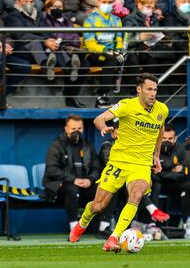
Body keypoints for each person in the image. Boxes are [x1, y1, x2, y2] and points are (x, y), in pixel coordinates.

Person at [69, 73, 169, 253]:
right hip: (119, 162)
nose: (153, 93)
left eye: (155, 89)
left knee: (137, 194)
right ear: (139, 90)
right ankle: (83, 222)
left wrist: (156, 155)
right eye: (149, 89)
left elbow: (160, 131)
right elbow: (98, 119)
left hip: (141, 165)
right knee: (98, 205)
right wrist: (104, 128)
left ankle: (113, 237)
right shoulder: (126, 105)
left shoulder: (162, 110)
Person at [97, 117, 169, 238]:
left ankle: (150, 224)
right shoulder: (107, 145)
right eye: (120, 130)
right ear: (113, 132)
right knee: (119, 186)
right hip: (107, 182)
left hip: (127, 181)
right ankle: (103, 227)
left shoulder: (134, 146)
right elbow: (115, 167)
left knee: (150, 185)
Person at [43, 115, 106, 234]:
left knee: (104, 188)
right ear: (66, 129)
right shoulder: (56, 146)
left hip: (85, 187)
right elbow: (51, 170)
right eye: (73, 129)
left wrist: (90, 180)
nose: (76, 132)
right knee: (71, 188)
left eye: (79, 129)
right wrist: (73, 179)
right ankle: (74, 228)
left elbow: (97, 168)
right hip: (60, 189)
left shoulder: (88, 145)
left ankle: (103, 226)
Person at [5, 0, 64, 81]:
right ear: (18, 2)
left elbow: (45, 31)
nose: (29, 4)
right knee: (36, 43)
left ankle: (69, 66)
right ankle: (46, 66)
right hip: (22, 48)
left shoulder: (38, 14)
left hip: (40, 48)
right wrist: (44, 41)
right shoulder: (13, 16)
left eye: (31, 1)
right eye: (25, 2)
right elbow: (22, 35)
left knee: (54, 44)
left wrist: (49, 39)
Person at [44, 0, 90, 108]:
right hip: (55, 50)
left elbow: (74, 36)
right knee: (71, 64)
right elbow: (51, 35)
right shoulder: (45, 19)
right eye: (54, 6)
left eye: (60, 7)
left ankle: (72, 95)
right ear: (47, 7)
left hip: (71, 48)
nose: (57, 9)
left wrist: (66, 38)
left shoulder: (66, 20)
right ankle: (69, 97)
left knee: (85, 66)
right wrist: (65, 38)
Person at [150, 123, 190, 232]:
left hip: (173, 183)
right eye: (163, 138)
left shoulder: (180, 149)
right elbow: (153, 173)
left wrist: (164, 172)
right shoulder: (152, 149)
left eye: (170, 138)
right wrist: (172, 170)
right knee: (154, 185)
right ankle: (153, 224)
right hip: (158, 183)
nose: (166, 141)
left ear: (175, 138)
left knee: (186, 186)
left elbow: (184, 172)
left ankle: (187, 223)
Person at [83, 0, 124, 106]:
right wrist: (107, 50)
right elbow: (90, 44)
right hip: (95, 54)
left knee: (129, 59)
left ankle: (133, 96)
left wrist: (119, 51)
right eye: (104, 2)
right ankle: (102, 96)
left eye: (110, 2)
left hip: (112, 53)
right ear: (98, 2)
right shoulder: (90, 20)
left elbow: (119, 39)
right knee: (111, 59)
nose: (107, 5)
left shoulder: (116, 20)